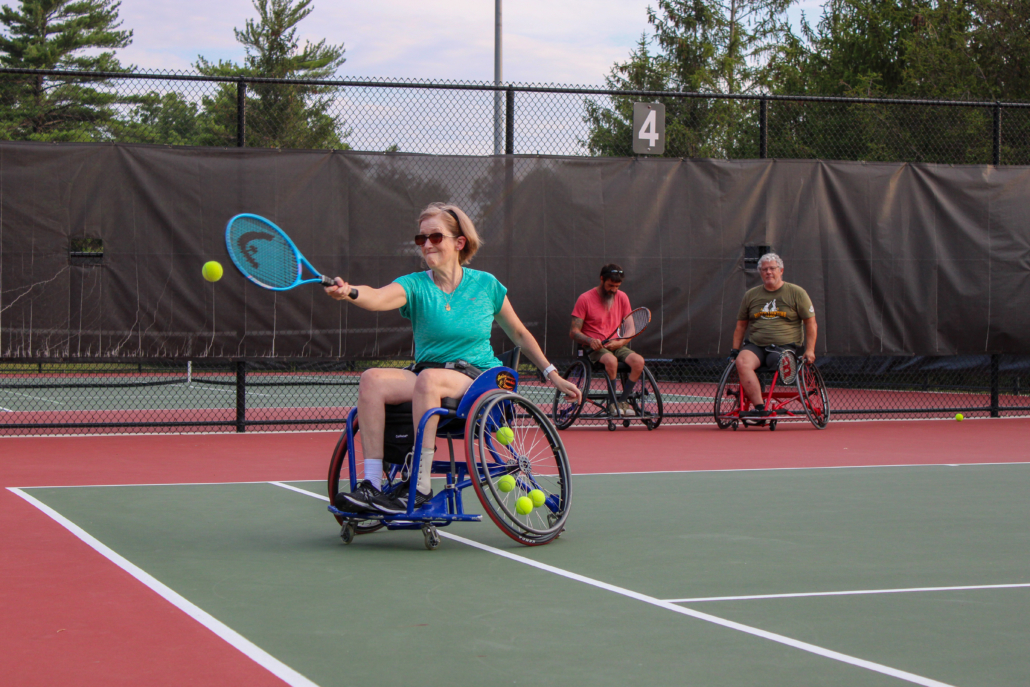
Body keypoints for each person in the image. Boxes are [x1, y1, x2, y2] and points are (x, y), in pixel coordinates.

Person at [324, 202, 581, 515]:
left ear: (459, 243)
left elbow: (519, 334)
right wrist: (349, 291)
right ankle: (373, 486)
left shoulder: (486, 285)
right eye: (421, 239)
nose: (427, 245)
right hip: (427, 375)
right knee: (372, 379)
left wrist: (551, 373)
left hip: (476, 378)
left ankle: (419, 487)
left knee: (430, 381)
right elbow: (377, 297)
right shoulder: (415, 285)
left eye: (435, 237)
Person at [730, 253, 817, 420]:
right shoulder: (751, 295)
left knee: (778, 361)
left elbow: (811, 323)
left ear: (781, 270)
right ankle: (760, 408)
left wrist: (810, 350)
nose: (768, 272)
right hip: (756, 346)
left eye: (772, 268)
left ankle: (784, 368)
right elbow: (741, 326)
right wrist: (734, 350)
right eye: (764, 269)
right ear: (760, 273)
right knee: (742, 361)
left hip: (785, 347)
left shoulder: (797, 293)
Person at [569, 263, 646, 416]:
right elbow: (573, 332)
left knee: (639, 361)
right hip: (593, 348)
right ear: (602, 279)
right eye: (611, 285)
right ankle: (612, 403)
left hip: (616, 344)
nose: (614, 289)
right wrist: (590, 340)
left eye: (617, 286)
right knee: (611, 361)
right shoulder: (585, 299)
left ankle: (622, 401)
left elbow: (630, 327)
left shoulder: (622, 297)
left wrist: (621, 342)